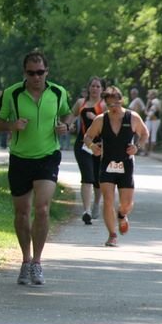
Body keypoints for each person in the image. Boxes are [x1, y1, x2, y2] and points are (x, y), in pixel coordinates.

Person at [0, 50, 71, 285]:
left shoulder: (58, 92)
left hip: (48, 156)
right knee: (22, 212)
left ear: (47, 72)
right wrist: (12, 125)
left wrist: (65, 126)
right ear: (24, 73)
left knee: (42, 209)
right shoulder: (12, 94)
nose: (36, 77)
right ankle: (25, 261)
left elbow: (68, 114)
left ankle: (37, 262)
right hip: (20, 158)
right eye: (31, 73)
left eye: (40, 72)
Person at [82, 86, 149, 248]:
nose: (114, 109)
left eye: (117, 104)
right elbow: (87, 137)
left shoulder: (132, 117)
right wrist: (92, 147)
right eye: (110, 105)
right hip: (107, 164)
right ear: (105, 104)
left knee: (126, 204)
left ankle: (122, 215)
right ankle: (112, 235)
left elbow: (145, 134)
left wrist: (137, 147)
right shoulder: (101, 120)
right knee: (108, 200)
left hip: (126, 164)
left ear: (122, 101)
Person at [72, 77, 105, 224]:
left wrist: (97, 117)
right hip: (82, 145)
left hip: (100, 146)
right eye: (92, 86)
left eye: (98, 86)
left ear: (102, 89)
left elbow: (111, 123)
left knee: (98, 179)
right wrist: (67, 126)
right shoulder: (81, 103)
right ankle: (86, 211)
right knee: (87, 176)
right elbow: (72, 115)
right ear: (88, 88)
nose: (95, 89)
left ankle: (96, 204)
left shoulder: (104, 105)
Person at [144, 89, 162, 155]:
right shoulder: (149, 101)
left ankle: (151, 151)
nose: (148, 95)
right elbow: (145, 111)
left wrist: (156, 106)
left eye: (150, 94)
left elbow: (159, 110)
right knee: (146, 133)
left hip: (155, 120)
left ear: (153, 95)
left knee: (153, 134)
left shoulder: (157, 101)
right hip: (149, 119)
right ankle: (146, 151)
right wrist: (148, 104)